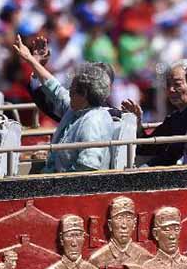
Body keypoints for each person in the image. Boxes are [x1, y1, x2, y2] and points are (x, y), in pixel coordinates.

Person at [15, 36, 115, 173]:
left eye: (72, 91)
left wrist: (54, 181)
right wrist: (32, 61)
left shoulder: (93, 122)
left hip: (64, 188)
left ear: (84, 95)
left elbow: (87, 168)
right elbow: (54, 86)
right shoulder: (77, 108)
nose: (68, 94)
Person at [120, 59, 187, 162]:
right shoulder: (174, 119)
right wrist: (137, 122)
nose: (171, 89)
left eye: (177, 84)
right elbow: (147, 148)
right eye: (168, 84)